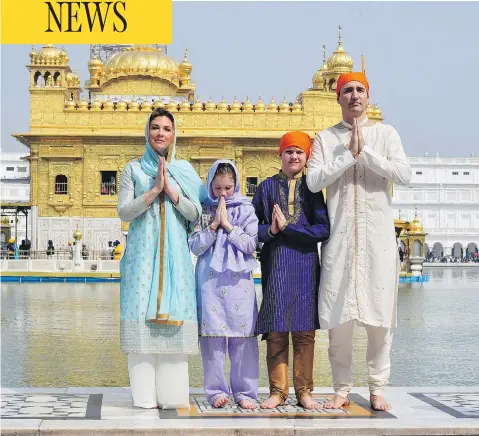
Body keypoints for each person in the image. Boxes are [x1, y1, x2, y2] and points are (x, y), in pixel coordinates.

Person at [306, 72, 411, 411]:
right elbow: (312, 181)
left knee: (381, 319)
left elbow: (404, 174)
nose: (354, 96)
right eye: (347, 91)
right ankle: (341, 388)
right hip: (340, 241)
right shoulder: (324, 139)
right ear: (337, 98)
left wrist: (365, 153)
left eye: (360, 90)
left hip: (378, 240)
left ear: (369, 96)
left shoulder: (386, 134)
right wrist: (347, 156)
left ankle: (378, 387)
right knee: (338, 321)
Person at [118, 108, 206, 409]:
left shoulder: (184, 170)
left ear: (174, 134)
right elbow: (123, 212)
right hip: (141, 259)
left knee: (175, 326)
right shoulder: (133, 170)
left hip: (176, 260)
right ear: (147, 132)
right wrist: (154, 190)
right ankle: (143, 398)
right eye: (155, 127)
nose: (160, 133)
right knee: (141, 322)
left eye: (167, 128)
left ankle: (171, 397)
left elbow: (196, 215)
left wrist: (171, 190)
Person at [252, 131, 330, 410]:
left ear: (307, 156)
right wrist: (271, 230)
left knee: (304, 331)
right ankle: (277, 391)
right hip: (275, 265)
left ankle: (304, 391)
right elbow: (253, 228)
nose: (294, 156)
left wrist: (289, 228)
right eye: (289, 151)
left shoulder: (312, 189)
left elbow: (323, 229)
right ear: (280, 155)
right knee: (275, 330)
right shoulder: (265, 188)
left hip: (306, 266)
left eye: (299, 151)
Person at [189, 160, 259, 409]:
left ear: (236, 185)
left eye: (228, 188)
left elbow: (252, 245)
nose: (223, 194)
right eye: (217, 188)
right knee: (213, 338)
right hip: (210, 281)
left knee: (243, 338)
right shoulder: (203, 210)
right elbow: (195, 245)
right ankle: (216, 390)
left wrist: (228, 226)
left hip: (240, 282)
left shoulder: (246, 210)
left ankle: (245, 392)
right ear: (210, 186)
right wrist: (214, 225)